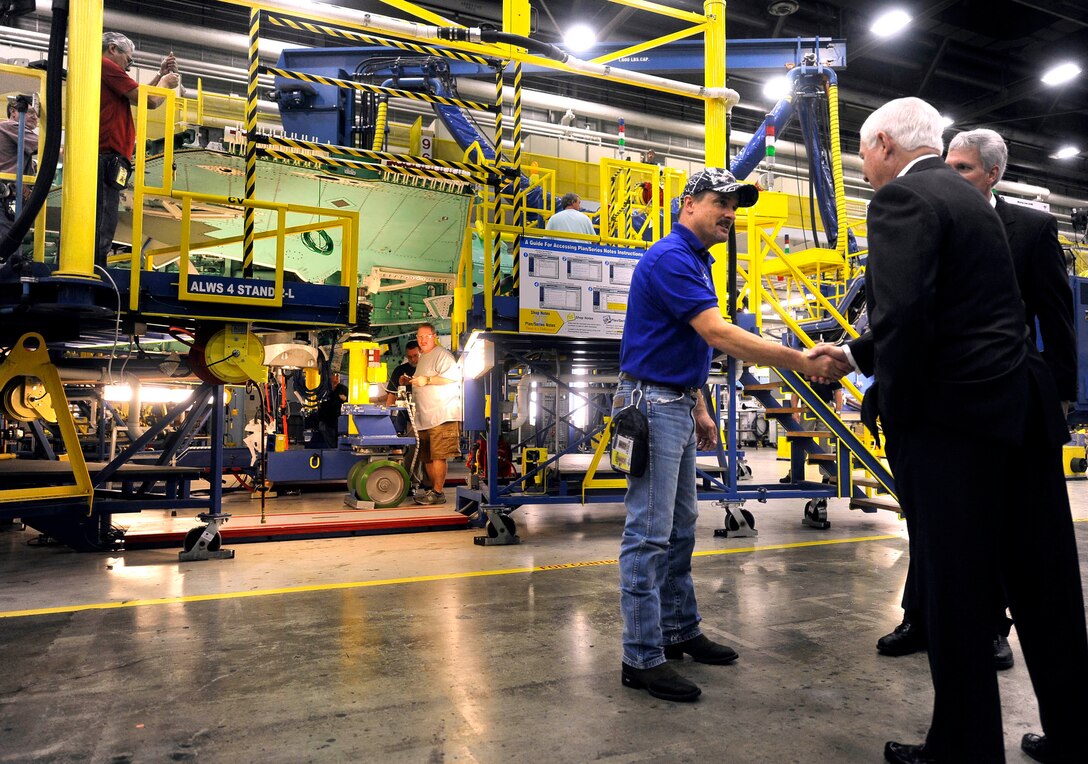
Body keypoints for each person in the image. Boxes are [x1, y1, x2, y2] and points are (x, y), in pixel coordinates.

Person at [811, 97, 1088, 764]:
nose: (863, 163)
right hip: (1019, 407)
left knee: (957, 590)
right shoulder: (975, 202)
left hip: (956, 423)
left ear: (882, 144)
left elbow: (907, 315)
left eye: (862, 150)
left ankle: (963, 749)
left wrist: (890, 413)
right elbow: (970, 310)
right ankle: (1078, 736)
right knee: (1044, 583)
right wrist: (853, 354)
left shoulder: (901, 202)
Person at [615, 167, 845, 703]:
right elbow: (716, 332)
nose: (730, 214)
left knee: (680, 527)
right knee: (648, 533)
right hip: (652, 403)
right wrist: (799, 359)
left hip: (672, 399)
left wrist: (698, 405)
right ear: (688, 204)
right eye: (721, 202)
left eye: (735, 206)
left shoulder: (695, 261)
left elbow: (679, 341)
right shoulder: (672, 257)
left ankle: (678, 630)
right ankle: (641, 656)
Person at [876, 127, 1078, 671]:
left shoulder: (1030, 228)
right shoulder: (934, 211)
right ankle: (921, 616)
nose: (953, 175)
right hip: (946, 406)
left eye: (964, 168)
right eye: (949, 163)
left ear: (993, 174)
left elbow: (1057, 321)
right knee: (930, 529)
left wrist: (1061, 399)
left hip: (1000, 405)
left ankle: (989, 626)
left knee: (998, 542)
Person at [97, 32, 179, 267]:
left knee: (106, 219)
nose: (128, 65)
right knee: (104, 220)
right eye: (129, 59)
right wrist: (166, 84)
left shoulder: (108, 74)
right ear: (113, 49)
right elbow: (149, 101)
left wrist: (160, 75)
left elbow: (138, 94)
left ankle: (95, 265)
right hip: (106, 158)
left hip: (110, 158)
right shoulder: (105, 65)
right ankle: (93, 268)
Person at [410, 323, 462, 505]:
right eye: (419, 337)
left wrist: (428, 380)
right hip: (425, 418)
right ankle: (433, 491)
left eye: (426, 336)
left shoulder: (442, 355)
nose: (422, 340)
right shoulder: (424, 357)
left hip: (441, 415)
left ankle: (438, 493)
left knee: (438, 455)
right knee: (428, 457)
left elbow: (453, 377)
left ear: (434, 336)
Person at [0, 98, 39, 245]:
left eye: (36, 113)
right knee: (7, 245)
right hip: (5, 196)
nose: (34, 117)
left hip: (12, 197)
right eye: (30, 112)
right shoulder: (11, 126)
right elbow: (49, 148)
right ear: (13, 112)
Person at [384, 340, 421, 406]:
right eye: (409, 357)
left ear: (421, 353)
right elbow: (391, 395)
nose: (413, 359)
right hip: (404, 411)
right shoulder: (399, 370)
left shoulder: (427, 369)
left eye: (415, 356)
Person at [316, 383, 348, 449]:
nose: (336, 377)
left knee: (333, 443)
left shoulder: (341, 390)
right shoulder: (323, 389)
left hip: (331, 422)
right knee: (331, 443)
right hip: (327, 423)